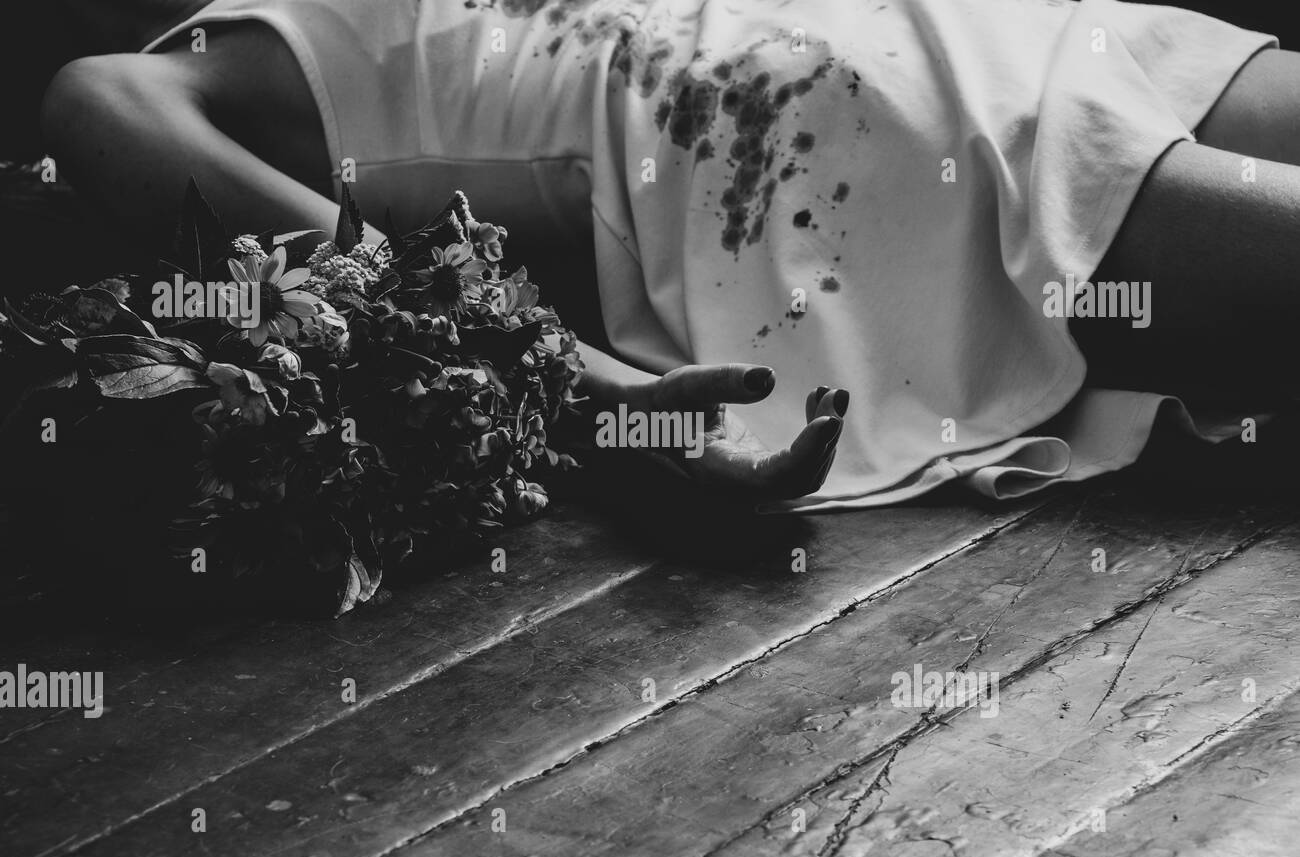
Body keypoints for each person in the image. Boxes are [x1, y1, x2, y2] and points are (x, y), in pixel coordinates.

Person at [35, 0, 1300, 508]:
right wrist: (551, 360)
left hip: (934, 40)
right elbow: (99, 98)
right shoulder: (258, 44)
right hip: (827, 125)